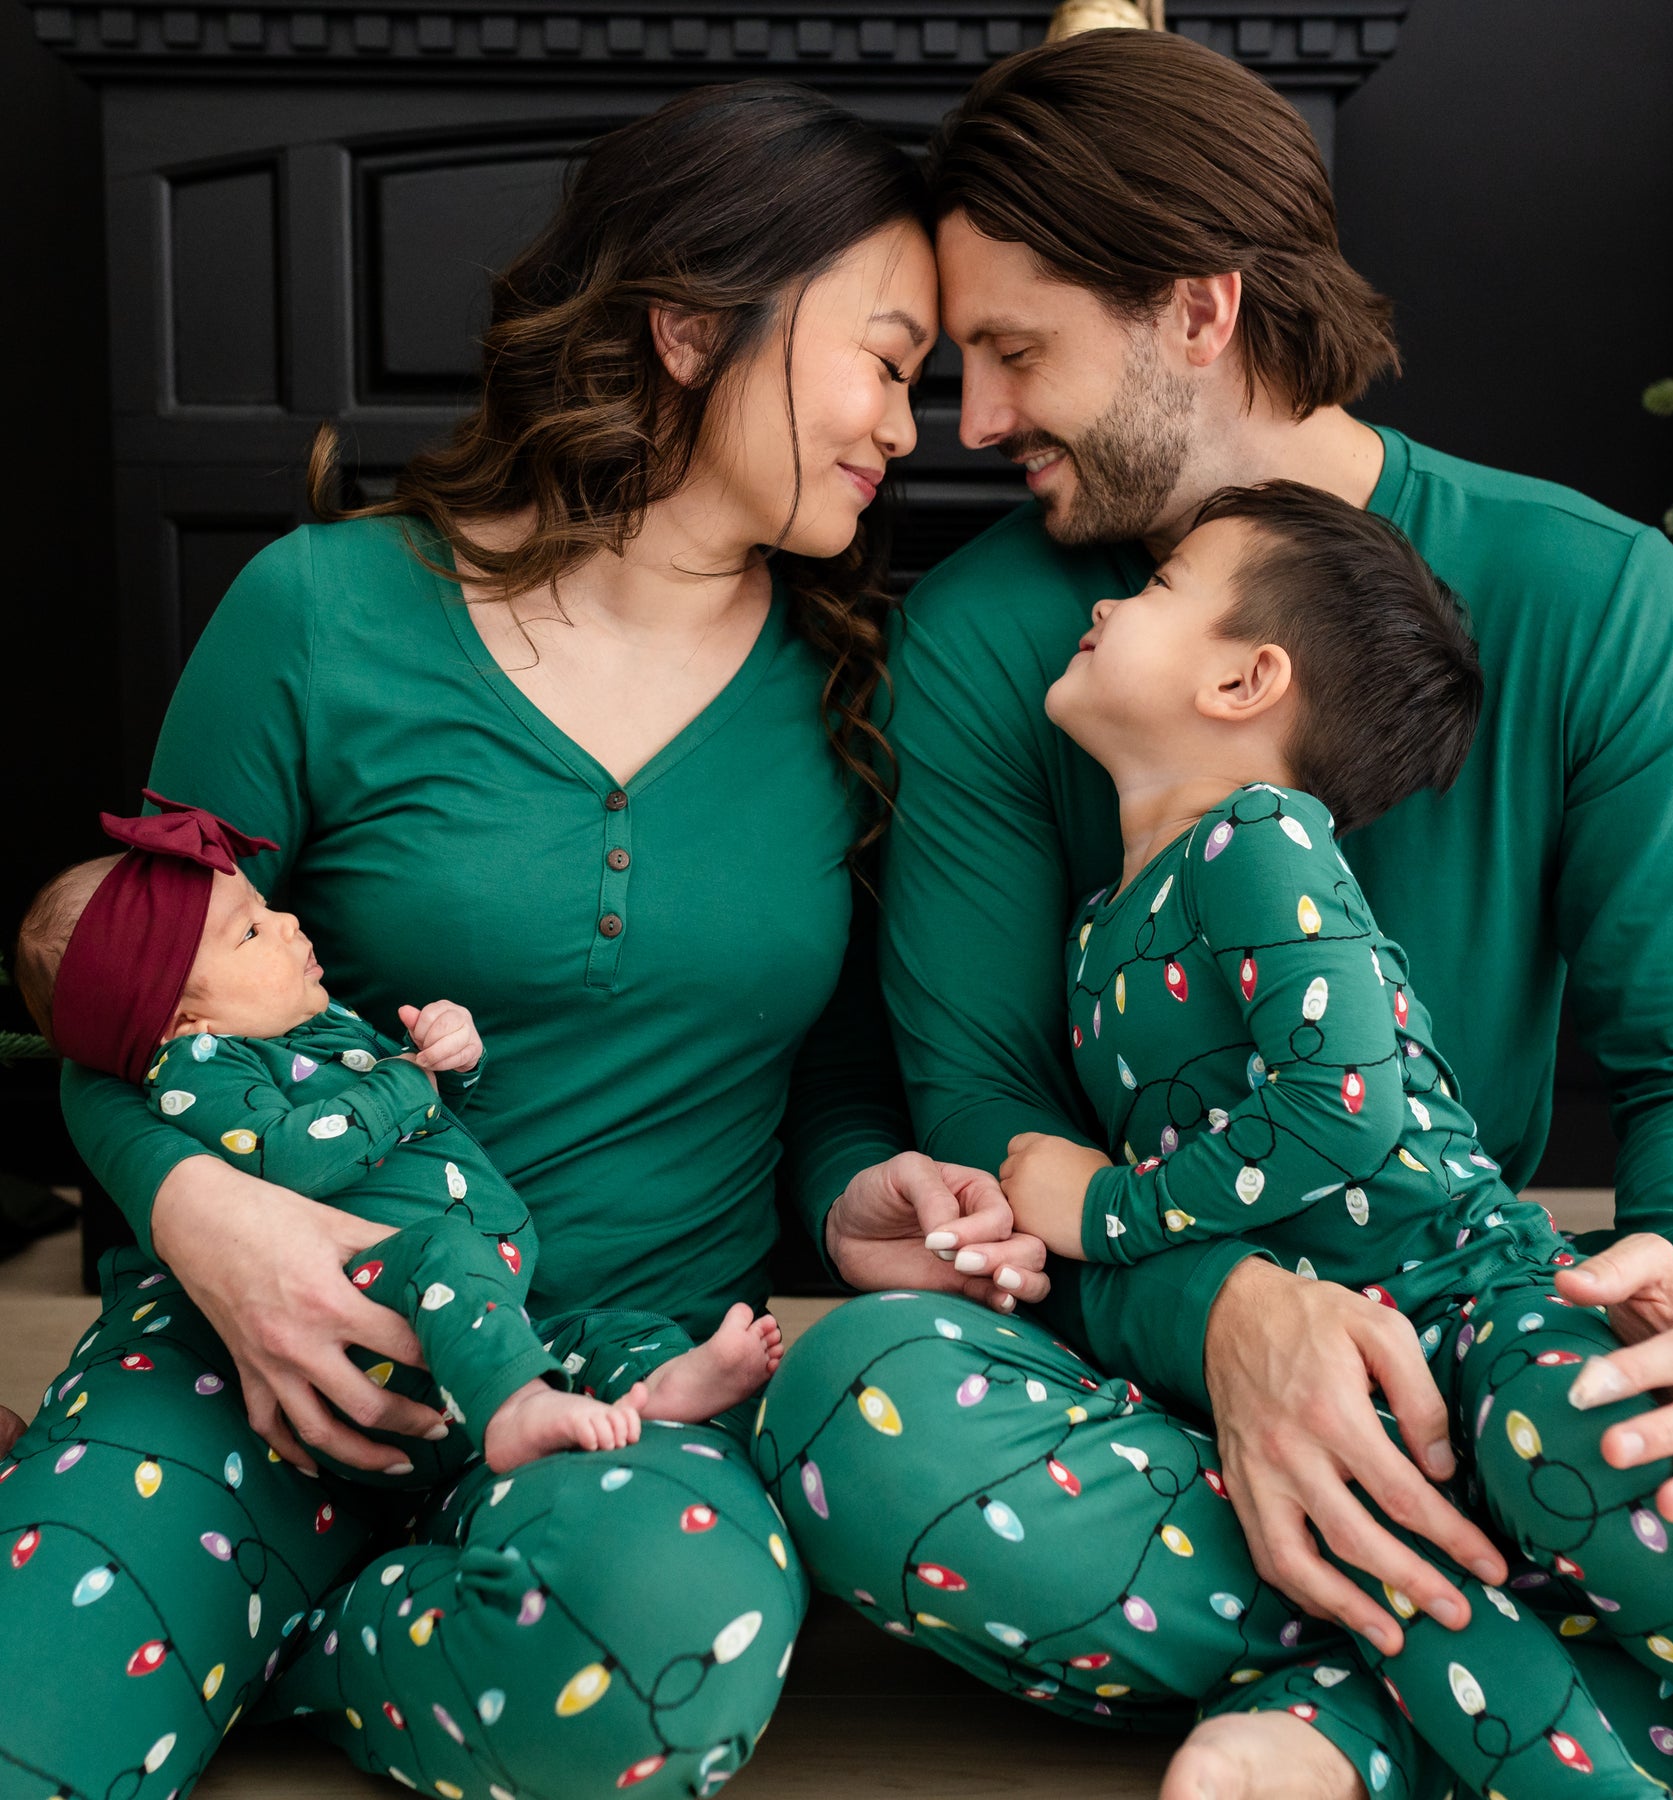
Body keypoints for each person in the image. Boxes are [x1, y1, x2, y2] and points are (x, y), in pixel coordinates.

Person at [757, 31, 1673, 1800]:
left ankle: (1368, 1700)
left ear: (1197, 309)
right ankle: (1584, 1637)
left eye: (1015, 351)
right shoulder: (997, 645)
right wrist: (1228, 1319)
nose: (974, 422)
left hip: (1497, 1333)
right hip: (1148, 1398)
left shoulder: (1595, 594)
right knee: (861, 1412)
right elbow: (984, 1109)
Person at [0, 81, 1022, 1800]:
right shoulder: (319, 613)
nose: (910, 429)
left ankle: (299, 1646)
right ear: (691, 328)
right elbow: (119, 1006)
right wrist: (200, 1220)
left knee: (661, 1660)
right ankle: (225, 1590)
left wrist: (862, 1193)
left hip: (626, 1380)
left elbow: (838, 1075)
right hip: (265, 1339)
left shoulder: (856, 693)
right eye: (885, 361)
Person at [1000, 479, 1673, 1798]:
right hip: (1352, 1371)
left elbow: (1344, 1106)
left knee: (1586, 1437)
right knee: (1415, 1605)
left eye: (1153, 590)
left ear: (1247, 680)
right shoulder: (1100, 932)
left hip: (1469, 1291)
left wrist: (1109, 1212)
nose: (1104, 604)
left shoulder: (1256, 839)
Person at [16, 794, 786, 1482]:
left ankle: (659, 1384)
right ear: (184, 1018)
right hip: (374, 1303)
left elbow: (404, 1115)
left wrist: (448, 1057)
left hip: (471, 1305)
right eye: (250, 931)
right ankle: (515, 1409)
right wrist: (406, 1081)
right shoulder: (200, 1066)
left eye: (265, 906)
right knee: (444, 1254)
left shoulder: (306, 1025)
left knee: (605, 1331)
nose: (286, 922)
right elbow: (290, 1156)